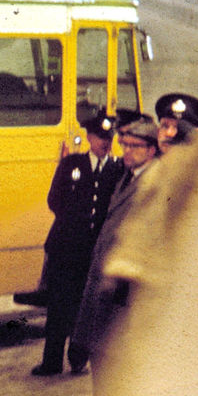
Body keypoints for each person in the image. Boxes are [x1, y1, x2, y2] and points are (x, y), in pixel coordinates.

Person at [30, 110, 124, 375]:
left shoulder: (117, 170)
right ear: (89, 137)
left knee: (88, 307)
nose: (105, 143)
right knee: (59, 305)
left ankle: (78, 358)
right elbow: (54, 201)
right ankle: (51, 361)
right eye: (99, 137)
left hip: (94, 252)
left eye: (109, 138)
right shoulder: (72, 165)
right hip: (67, 249)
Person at [68, 114, 161, 374]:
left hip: (121, 295)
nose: (126, 151)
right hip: (104, 289)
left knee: (117, 375)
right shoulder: (126, 177)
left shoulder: (153, 182)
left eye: (134, 146)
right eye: (125, 145)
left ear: (151, 150)